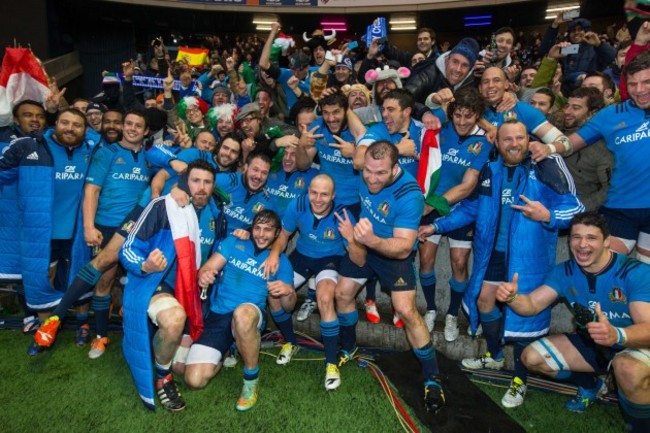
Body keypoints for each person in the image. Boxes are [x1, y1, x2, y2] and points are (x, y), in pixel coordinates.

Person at [420, 120, 583, 408]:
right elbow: (471, 208)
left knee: (523, 314)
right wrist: (436, 227)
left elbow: (575, 207)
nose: (514, 143)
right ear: (498, 142)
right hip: (491, 252)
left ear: (527, 139)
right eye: (507, 139)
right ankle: (495, 355)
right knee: (485, 302)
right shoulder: (490, 170)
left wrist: (549, 216)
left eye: (520, 138)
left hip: (527, 257)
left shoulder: (544, 168)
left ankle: (520, 379)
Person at [495, 212, 650, 432]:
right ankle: (592, 386)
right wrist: (512, 298)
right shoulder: (565, 271)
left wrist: (617, 335)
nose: (582, 244)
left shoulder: (634, 273)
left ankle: (639, 427)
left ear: (607, 241)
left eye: (591, 238)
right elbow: (531, 305)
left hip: (633, 344)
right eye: (576, 237)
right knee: (531, 358)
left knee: (626, 368)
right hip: (594, 343)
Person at [333, 140, 446, 412]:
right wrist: (359, 238)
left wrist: (369, 240)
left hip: (392, 251)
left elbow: (405, 247)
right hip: (367, 240)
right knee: (342, 293)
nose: (371, 179)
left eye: (380, 173)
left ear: (395, 167)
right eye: (368, 171)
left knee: (406, 311)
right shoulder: (366, 169)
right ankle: (348, 348)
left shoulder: (410, 194)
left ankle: (432, 378)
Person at [119, 160, 217, 412]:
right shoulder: (164, 206)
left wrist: (205, 273)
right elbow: (127, 249)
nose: (202, 188)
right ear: (184, 182)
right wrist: (145, 265)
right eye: (195, 181)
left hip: (190, 290)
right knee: (174, 319)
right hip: (155, 283)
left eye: (208, 182)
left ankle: (166, 359)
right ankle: (163, 377)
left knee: (185, 368)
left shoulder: (216, 212)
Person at [536, 50, 650, 263]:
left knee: (646, 276)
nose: (640, 90)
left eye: (646, 82)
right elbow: (570, 143)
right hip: (620, 208)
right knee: (602, 270)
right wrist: (548, 149)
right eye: (633, 84)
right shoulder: (611, 115)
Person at [0, 109, 95, 355]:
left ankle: (83, 324)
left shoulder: (92, 148)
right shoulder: (31, 147)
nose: (70, 128)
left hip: (77, 232)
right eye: (65, 122)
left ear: (85, 130)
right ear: (55, 124)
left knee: (82, 275)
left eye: (77, 124)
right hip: (43, 234)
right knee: (43, 279)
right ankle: (46, 328)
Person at [184, 210, 294, 411]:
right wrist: (205, 276)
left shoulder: (281, 262)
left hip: (250, 315)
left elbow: (289, 306)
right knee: (194, 380)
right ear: (251, 229)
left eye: (268, 230)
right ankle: (227, 349)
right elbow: (208, 268)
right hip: (219, 314)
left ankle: (250, 381)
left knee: (242, 314)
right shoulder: (233, 243)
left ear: (277, 234)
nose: (261, 234)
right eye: (257, 228)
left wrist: (287, 291)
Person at [417, 87, 491, 339]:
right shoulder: (438, 130)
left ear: (478, 116)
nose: (461, 121)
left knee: (459, 263)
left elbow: (467, 186)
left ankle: (451, 315)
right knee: (426, 260)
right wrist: (429, 107)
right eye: (457, 115)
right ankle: (430, 309)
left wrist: (434, 204)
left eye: (468, 116)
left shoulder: (483, 142)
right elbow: (423, 103)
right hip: (430, 205)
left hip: (461, 208)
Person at [81, 111, 153, 358]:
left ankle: (136, 332)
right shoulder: (107, 153)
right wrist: (89, 227)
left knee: (139, 280)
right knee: (104, 280)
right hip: (108, 227)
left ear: (146, 131)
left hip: (136, 230)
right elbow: (91, 191)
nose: (132, 128)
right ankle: (101, 337)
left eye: (138, 125)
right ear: (123, 126)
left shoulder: (149, 158)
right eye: (129, 123)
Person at [264, 174, 348, 388]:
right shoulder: (298, 204)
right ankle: (291, 342)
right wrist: (274, 254)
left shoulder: (342, 214)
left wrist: (354, 239)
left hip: (330, 258)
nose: (318, 199)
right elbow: (284, 235)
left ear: (333, 195)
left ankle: (331, 363)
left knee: (325, 297)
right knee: (273, 292)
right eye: (314, 192)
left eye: (324, 194)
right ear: (308, 191)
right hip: (302, 255)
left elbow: (357, 254)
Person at [558, 87, 612, 212]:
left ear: (593, 113)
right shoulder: (555, 132)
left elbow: (609, 189)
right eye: (567, 106)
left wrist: (579, 209)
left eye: (576, 108)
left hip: (582, 214)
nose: (567, 111)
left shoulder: (602, 147)